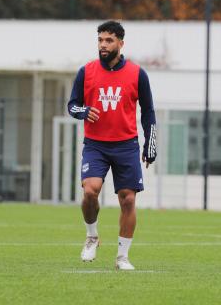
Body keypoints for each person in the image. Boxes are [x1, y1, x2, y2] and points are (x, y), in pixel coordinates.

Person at [67, 20, 157, 270]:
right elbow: (71, 105)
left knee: (128, 200)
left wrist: (150, 143)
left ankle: (122, 258)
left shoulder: (138, 74)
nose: (103, 45)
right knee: (90, 191)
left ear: (120, 43)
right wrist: (83, 111)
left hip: (126, 145)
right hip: (95, 144)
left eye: (108, 40)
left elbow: (148, 111)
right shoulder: (86, 72)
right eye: (100, 40)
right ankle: (92, 236)